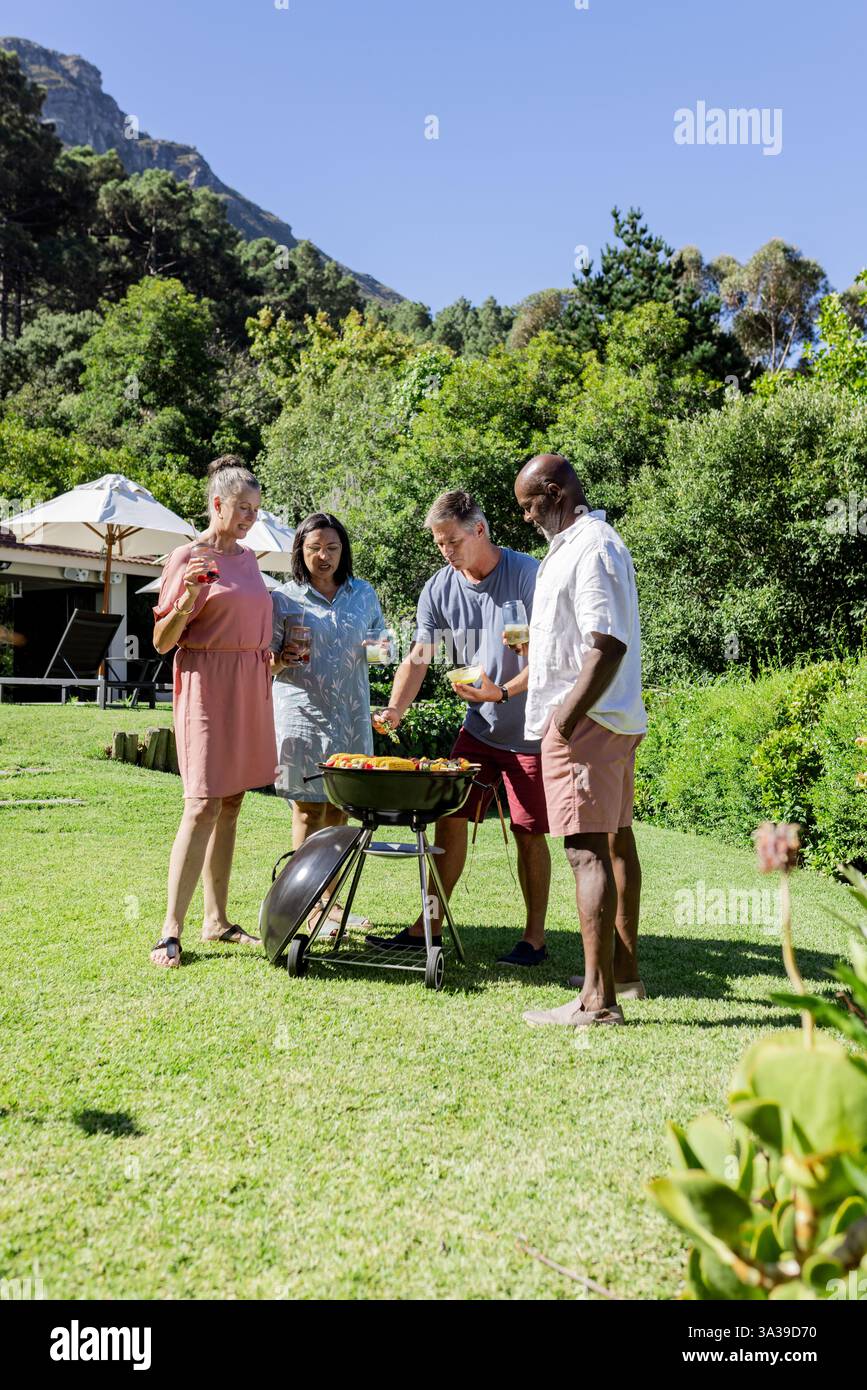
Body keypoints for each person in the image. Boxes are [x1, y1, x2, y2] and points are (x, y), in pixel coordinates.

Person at [368, 489, 551, 963]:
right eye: (438, 543)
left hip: (530, 729)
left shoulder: (528, 576)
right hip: (480, 729)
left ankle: (534, 939)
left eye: (452, 541)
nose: (446, 552)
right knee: (448, 818)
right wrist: (394, 710)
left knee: (529, 832)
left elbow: (547, 660)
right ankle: (427, 924)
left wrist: (503, 691)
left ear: (480, 530)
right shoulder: (440, 587)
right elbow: (419, 658)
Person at [514, 454, 647, 1026]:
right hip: (607, 718)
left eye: (527, 505)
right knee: (611, 844)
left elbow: (607, 642)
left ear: (552, 491)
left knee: (583, 851)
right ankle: (617, 976)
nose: (524, 518)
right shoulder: (581, 544)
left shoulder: (592, 546)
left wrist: (564, 721)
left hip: (587, 722)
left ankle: (598, 1003)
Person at [150, 455, 278, 968]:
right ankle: (169, 930)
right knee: (201, 802)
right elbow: (161, 642)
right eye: (242, 508)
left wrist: (275, 655)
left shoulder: (249, 560)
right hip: (205, 683)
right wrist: (188, 599)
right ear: (217, 503)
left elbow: (251, 622)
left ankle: (216, 920)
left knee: (231, 803)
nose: (249, 517)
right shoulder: (186, 556)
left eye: (256, 510)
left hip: (250, 682)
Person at [271, 512, 387, 931]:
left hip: (350, 716)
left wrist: (382, 648)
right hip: (301, 716)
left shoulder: (363, 594)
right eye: (315, 548)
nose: (324, 556)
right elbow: (260, 661)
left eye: (332, 548)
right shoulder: (283, 598)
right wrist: (280, 659)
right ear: (300, 551)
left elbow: (380, 643)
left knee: (340, 811)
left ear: (344, 551)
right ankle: (304, 905)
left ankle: (332, 904)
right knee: (306, 810)